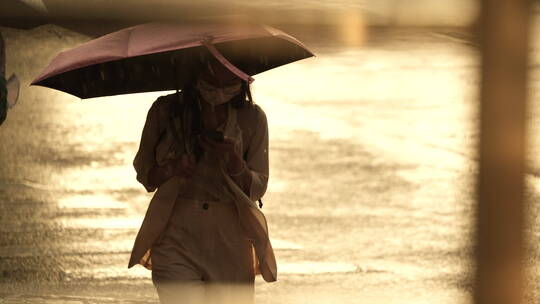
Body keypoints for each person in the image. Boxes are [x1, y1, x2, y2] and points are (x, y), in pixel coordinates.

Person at [128, 56, 277, 304]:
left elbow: (258, 186)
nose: (218, 83)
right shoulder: (165, 111)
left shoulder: (252, 118)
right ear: (197, 70)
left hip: (231, 238)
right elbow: (146, 175)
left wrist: (234, 162)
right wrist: (172, 168)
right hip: (176, 234)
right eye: (211, 73)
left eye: (227, 74)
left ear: (240, 76)